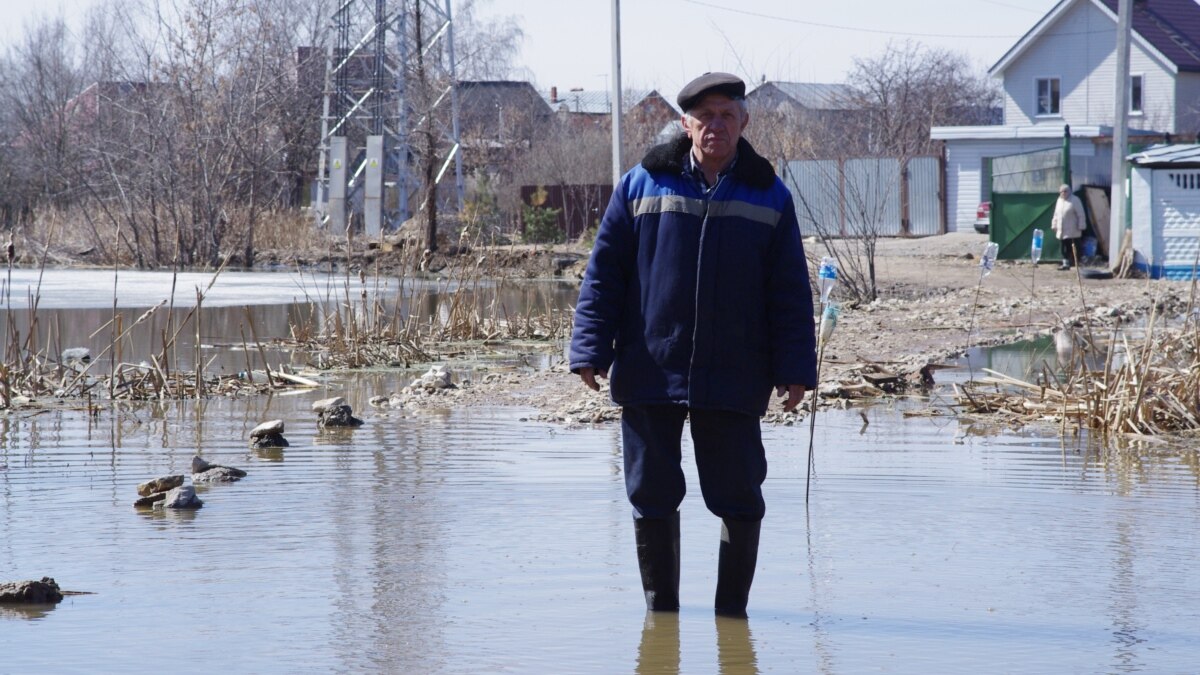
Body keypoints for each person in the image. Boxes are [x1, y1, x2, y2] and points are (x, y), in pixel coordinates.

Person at [568, 72, 818, 618]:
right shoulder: (640, 185)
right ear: (685, 124)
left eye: (727, 114)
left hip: (735, 374)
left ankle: (732, 617)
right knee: (651, 495)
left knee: (740, 498)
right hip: (650, 369)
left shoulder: (769, 194)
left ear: (744, 121)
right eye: (704, 116)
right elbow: (603, 275)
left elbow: (789, 292)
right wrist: (589, 347)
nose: (716, 126)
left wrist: (796, 367)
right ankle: (663, 620)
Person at [1051, 183, 1086, 270]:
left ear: (1069, 191)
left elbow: (1081, 214)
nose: (1063, 193)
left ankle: (1076, 262)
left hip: (1073, 230)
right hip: (1062, 230)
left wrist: (1081, 225)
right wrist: (1054, 225)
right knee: (1064, 247)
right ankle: (1065, 263)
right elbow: (1056, 214)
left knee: (1073, 246)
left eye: (1065, 191)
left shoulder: (1075, 200)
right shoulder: (1059, 201)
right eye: (1061, 192)